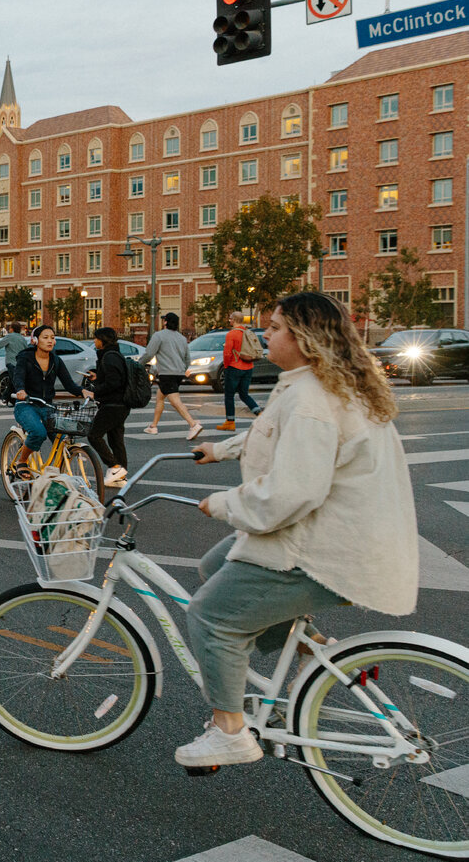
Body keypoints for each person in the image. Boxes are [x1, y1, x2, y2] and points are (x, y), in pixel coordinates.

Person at [180, 292, 417, 766]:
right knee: (214, 564)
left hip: (320, 545)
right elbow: (275, 431)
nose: (263, 334)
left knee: (210, 616)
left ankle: (229, 732)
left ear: (304, 339)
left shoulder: (310, 397)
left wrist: (223, 503)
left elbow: (292, 492)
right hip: (344, 533)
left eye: (274, 328)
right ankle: (312, 650)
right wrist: (222, 450)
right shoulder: (323, 383)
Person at [9, 325, 90, 479]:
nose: (50, 341)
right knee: (38, 433)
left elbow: (69, 384)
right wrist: (20, 390)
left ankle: (54, 473)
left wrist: (83, 391)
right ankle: (22, 461)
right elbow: (18, 377)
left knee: (63, 437)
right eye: (45, 337)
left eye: (52, 338)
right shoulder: (25, 358)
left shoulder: (56, 360)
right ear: (35, 340)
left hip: (47, 406)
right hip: (26, 404)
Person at [139, 312, 202, 440]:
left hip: (167, 373)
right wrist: (182, 369)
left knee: (175, 401)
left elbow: (149, 353)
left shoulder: (159, 336)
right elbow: (187, 359)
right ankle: (153, 426)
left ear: (166, 322)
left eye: (164, 320)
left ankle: (193, 424)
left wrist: (139, 364)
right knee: (160, 398)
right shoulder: (182, 338)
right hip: (178, 373)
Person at [84, 327, 131, 486]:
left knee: (94, 435)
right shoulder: (113, 355)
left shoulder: (110, 357)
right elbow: (113, 378)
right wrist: (97, 377)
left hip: (113, 404)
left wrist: (95, 392)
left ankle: (115, 466)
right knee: (116, 440)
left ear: (103, 340)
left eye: (96, 338)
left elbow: (113, 383)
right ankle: (120, 476)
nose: (94, 341)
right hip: (120, 404)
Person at [218, 311, 262, 431]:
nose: (229, 321)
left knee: (229, 395)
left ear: (233, 320)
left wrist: (226, 366)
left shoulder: (232, 334)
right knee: (244, 394)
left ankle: (230, 421)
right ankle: (259, 413)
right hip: (248, 367)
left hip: (234, 366)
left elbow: (227, 353)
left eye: (230, 319)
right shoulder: (248, 332)